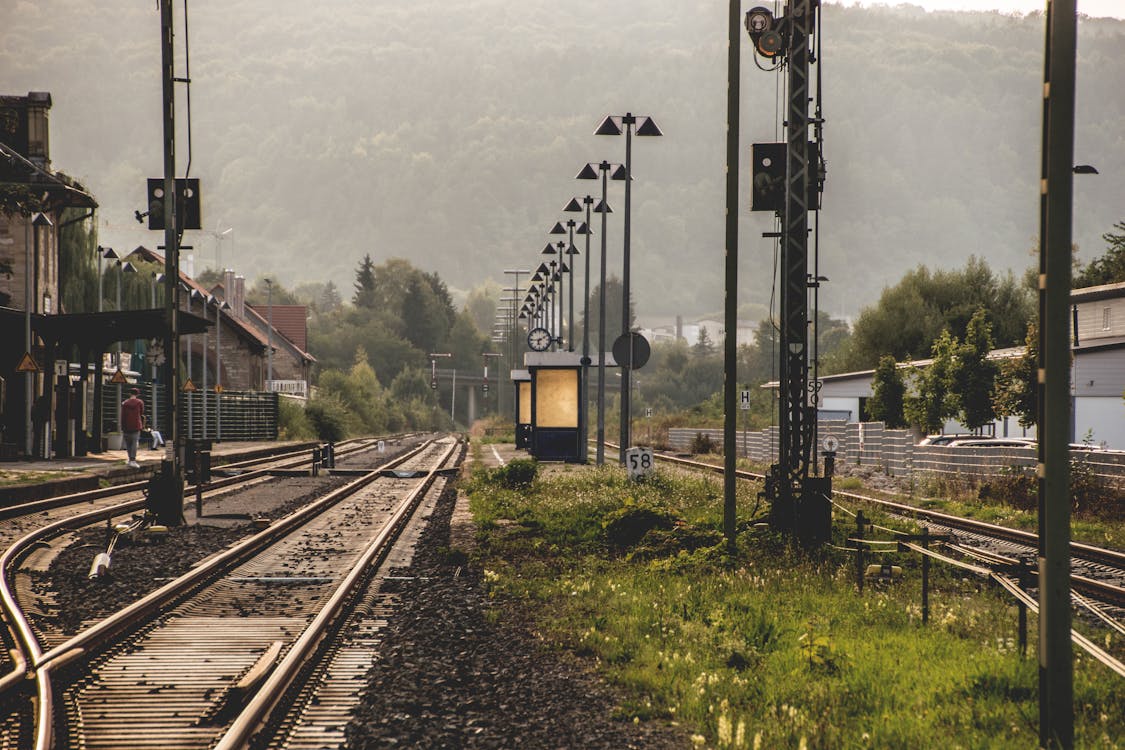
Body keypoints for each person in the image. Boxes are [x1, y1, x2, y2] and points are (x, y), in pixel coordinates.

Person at [120, 387, 145, 468]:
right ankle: (132, 460)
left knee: (128, 444)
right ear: (138, 394)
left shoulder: (124, 403)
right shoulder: (140, 402)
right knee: (134, 443)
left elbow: (123, 415)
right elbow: (141, 412)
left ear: (130, 393)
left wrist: (122, 426)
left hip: (126, 425)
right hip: (136, 425)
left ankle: (129, 459)